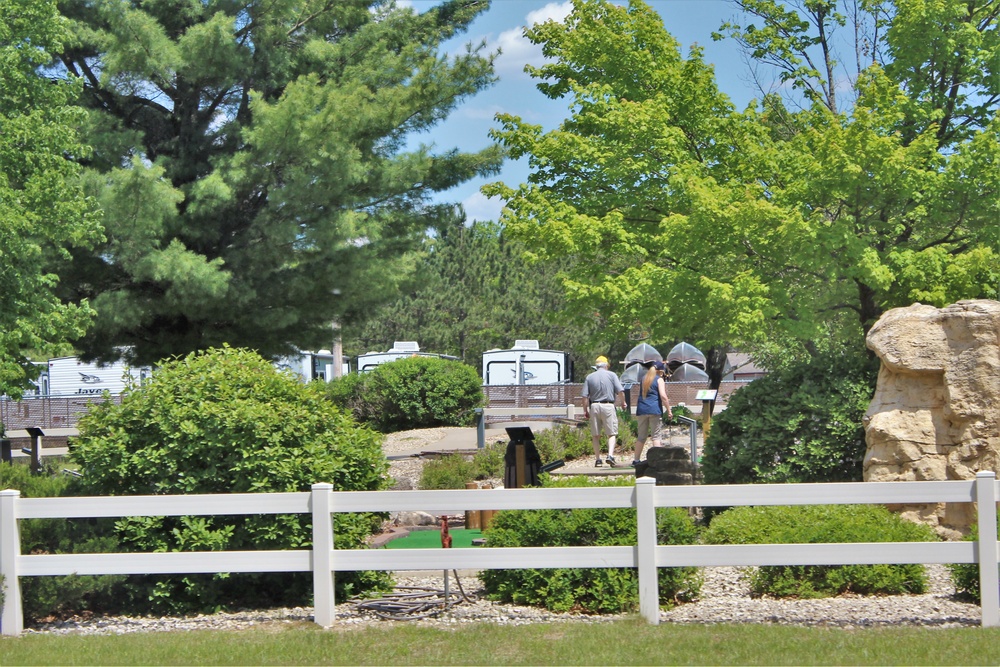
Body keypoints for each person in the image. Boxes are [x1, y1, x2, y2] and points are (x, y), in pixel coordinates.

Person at [581, 355, 625, 467]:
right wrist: (623, 402)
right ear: (606, 366)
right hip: (608, 405)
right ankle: (610, 455)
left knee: (595, 435)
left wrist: (585, 410)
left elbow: (585, 397)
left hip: (594, 405)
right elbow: (620, 391)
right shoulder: (612, 375)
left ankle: (598, 459)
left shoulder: (589, 377)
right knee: (612, 433)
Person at [632, 360, 672, 467]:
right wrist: (669, 410)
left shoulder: (644, 379)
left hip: (642, 409)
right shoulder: (659, 380)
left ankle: (636, 460)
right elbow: (663, 396)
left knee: (641, 437)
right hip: (654, 410)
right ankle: (657, 460)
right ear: (660, 371)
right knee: (656, 436)